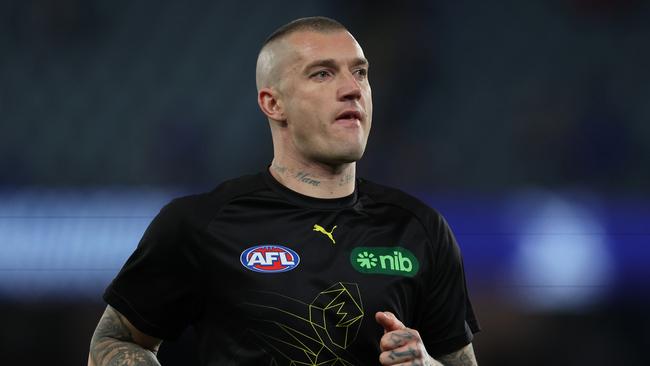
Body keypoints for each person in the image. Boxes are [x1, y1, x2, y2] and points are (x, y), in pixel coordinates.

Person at [88, 16, 480, 366]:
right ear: (273, 103)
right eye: (323, 74)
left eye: (360, 73)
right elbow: (114, 340)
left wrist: (426, 364)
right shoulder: (201, 223)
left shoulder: (420, 229)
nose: (352, 89)